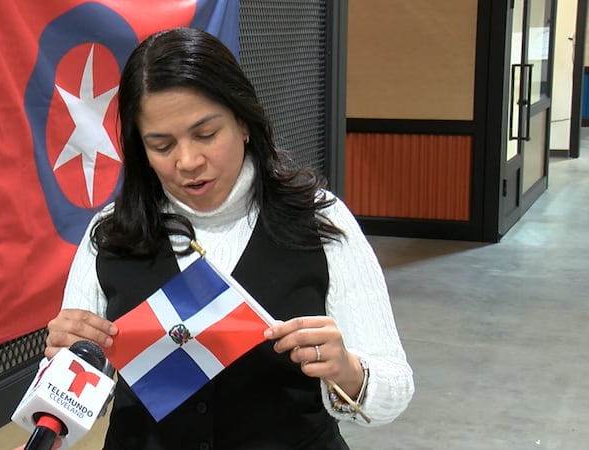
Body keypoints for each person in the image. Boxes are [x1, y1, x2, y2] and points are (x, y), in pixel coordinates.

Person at [41, 27, 414, 450]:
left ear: (244, 121)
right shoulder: (110, 232)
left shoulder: (319, 218)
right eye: (161, 145)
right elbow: (68, 404)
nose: (188, 161)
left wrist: (348, 369)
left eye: (206, 134)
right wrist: (65, 363)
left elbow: (395, 390)